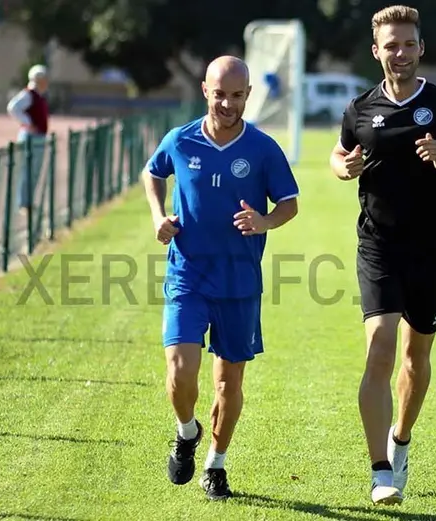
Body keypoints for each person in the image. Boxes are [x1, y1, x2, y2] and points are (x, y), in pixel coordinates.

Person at [328, 5, 436, 505]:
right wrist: (345, 167)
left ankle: (400, 439)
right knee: (379, 346)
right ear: (375, 50)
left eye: (407, 44)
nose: (398, 53)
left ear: (420, 49)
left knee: (414, 356)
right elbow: (338, 154)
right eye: (390, 45)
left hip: (432, 248)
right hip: (377, 244)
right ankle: (380, 470)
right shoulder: (359, 108)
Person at [143, 55, 300, 501]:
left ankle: (216, 463)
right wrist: (158, 216)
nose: (227, 103)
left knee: (229, 383)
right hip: (188, 273)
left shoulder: (264, 149)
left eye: (237, 95)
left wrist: (265, 222)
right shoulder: (181, 139)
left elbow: (289, 204)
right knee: (179, 369)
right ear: (205, 91)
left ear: (248, 94)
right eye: (219, 94)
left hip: (239, 283)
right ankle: (186, 430)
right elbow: (152, 173)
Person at [6, 64, 51, 214]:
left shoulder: (38, 96)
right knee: (28, 171)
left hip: (38, 137)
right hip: (31, 137)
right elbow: (13, 108)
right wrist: (28, 123)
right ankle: (24, 203)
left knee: (34, 171)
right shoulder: (29, 94)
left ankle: (28, 201)